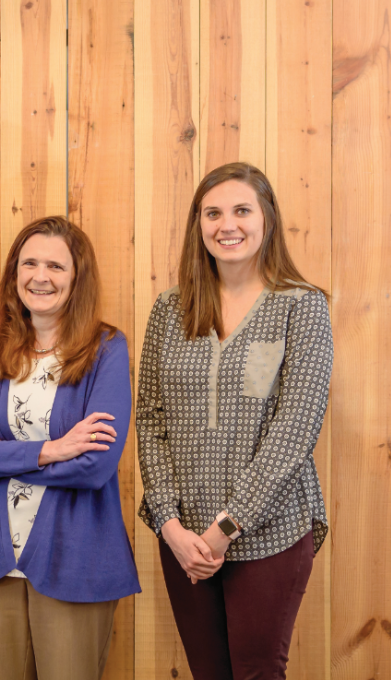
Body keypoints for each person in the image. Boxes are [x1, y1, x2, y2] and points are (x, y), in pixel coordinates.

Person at [136, 162, 331, 679]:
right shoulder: (170, 309)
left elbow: (295, 428)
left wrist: (226, 527)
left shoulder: (301, 308)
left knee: (256, 673)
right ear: (198, 224)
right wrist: (169, 524)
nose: (228, 224)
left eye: (242, 210)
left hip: (269, 531)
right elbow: (150, 421)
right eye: (213, 213)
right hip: (183, 537)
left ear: (266, 218)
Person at [0, 216, 139, 680]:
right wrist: (51, 450)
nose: (40, 276)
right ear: (15, 273)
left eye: (55, 265)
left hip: (76, 556)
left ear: (77, 277)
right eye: (29, 263)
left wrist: (1, 454)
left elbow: (95, 466)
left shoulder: (106, 349)